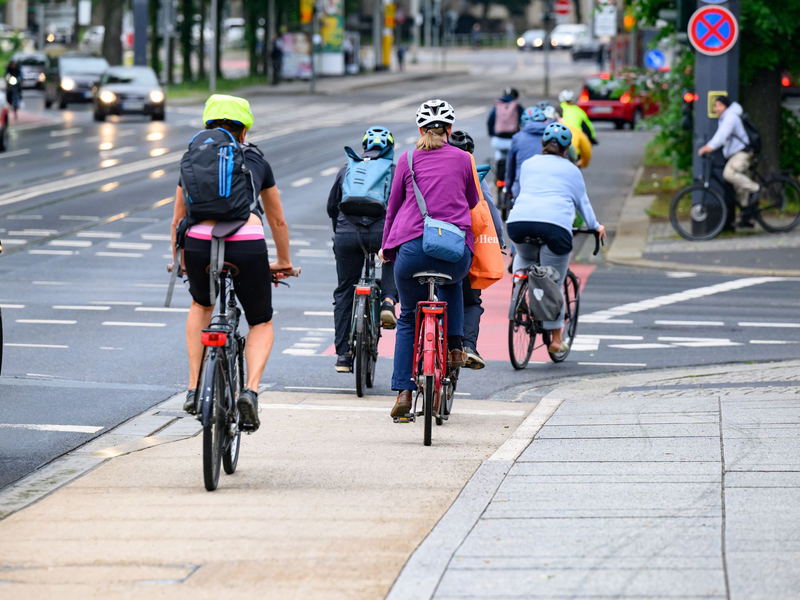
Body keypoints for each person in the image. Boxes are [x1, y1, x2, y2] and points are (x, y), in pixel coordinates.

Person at [170, 94, 293, 430]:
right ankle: (250, 391)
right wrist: (283, 261)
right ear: (243, 131)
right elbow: (277, 220)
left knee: (200, 305)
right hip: (247, 243)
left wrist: (178, 259)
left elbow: (178, 218)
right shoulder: (256, 160)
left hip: (197, 245)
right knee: (260, 322)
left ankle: (195, 387)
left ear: (209, 127)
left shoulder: (193, 158)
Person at [381, 99, 480, 418]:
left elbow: (393, 209)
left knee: (409, 316)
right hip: (452, 249)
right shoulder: (464, 159)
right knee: (453, 285)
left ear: (419, 129)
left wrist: (386, 247)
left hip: (410, 250)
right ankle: (455, 346)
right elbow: (472, 200)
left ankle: (404, 392)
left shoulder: (406, 159)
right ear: (450, 130)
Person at [506, 123, 606, 354]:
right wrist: (595, 226)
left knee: (524, 254)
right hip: (554, 227)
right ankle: (556, 339)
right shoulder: (572, 170)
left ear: (543, 144)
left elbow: (523, 191)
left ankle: (518, 287)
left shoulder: (530, 164)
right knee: (554, 281)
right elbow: (583, 204)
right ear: (566, 148)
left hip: (518, 222)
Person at [327, 126, 399, 373]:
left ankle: (343, 356)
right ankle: (388, 301)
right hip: (382, 234)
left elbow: (331, 207)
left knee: (345, 289)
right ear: (389, 148)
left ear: (364, 147)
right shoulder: (394, 170)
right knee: (392, 257)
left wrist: (339, 232)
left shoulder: (347, 168)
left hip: (347, 235)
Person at [449, 130, 505, 370]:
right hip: (465, 248)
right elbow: (489, 210)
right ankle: (468, 346)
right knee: (470, 300)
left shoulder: (433, 169)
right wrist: (499, 240)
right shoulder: (475, 176)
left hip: (427, 246)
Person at [698, 96, 760, 226]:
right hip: (736, 154)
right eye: (715, 106)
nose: (716, 108)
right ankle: (747, 217)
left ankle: (756, 189)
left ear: (725, 106)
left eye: (718, 105)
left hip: (743, 154)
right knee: (740, 188)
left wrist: (709, 147)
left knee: (729, 174)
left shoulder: (731, 117)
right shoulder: (727, 117)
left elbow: (722, 135)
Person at [505, 106, 552, 199]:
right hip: (547, 186)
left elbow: (510, 166)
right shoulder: (551, 136)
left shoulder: (517, 138)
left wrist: (509, 188)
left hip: (522, 186)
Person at [487, 87, 523, 161]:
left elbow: (489, 121)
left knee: (499, 153)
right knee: (515, 158)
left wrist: (492, 134)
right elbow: (524, 120)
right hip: (512, 139)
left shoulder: (497, 105)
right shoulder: (517, 106)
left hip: (498, 140)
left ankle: (498, 165)